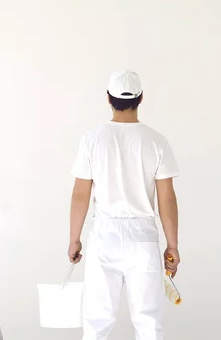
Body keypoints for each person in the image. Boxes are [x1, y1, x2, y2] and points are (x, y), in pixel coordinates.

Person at [68, 70, 180, 340]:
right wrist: (172, 245)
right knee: (148, 320)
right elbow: (166, 198)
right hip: (143, 236)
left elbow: (81, 194)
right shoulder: (156, 140)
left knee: (96, 320)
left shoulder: (92, 139)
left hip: (104, 235)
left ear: (108, 98)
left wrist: (74, 239)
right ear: (141, 98)